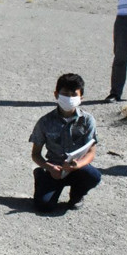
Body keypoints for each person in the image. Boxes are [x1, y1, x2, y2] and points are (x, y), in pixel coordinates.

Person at [30, 74, 101, 212]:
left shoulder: (87, 120)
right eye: (65, 94)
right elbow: (35, 154)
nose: (69, 98)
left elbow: (91, 152)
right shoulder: (45, 122)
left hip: (77, 168)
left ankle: (77, 195)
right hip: (54, 170)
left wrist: (77, 165)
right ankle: (41, 176)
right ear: (56, 95)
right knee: (44, 206)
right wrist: (48, 167)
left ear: (81, 98)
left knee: (93, 176)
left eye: (73, 94)